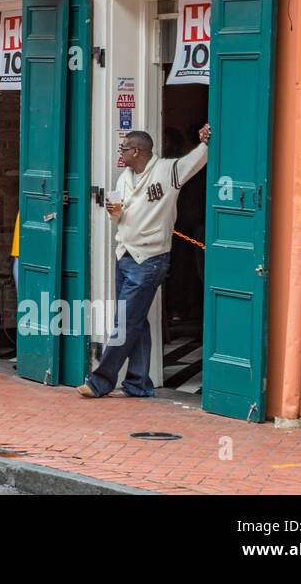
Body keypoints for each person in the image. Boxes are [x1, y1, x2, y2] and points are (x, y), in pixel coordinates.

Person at [78, 125, 212, 400]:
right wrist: (114, 213)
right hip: (124, 255)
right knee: (134, 320)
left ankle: (100, 381)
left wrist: (205, 142)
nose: (121, 153)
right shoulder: (124, 178)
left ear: (136, 151)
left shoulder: (167, 171)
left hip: (150, 259)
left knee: (126, 322)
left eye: (124, 149)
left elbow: (197, 160)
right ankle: (138, 383)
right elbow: (119, 216)